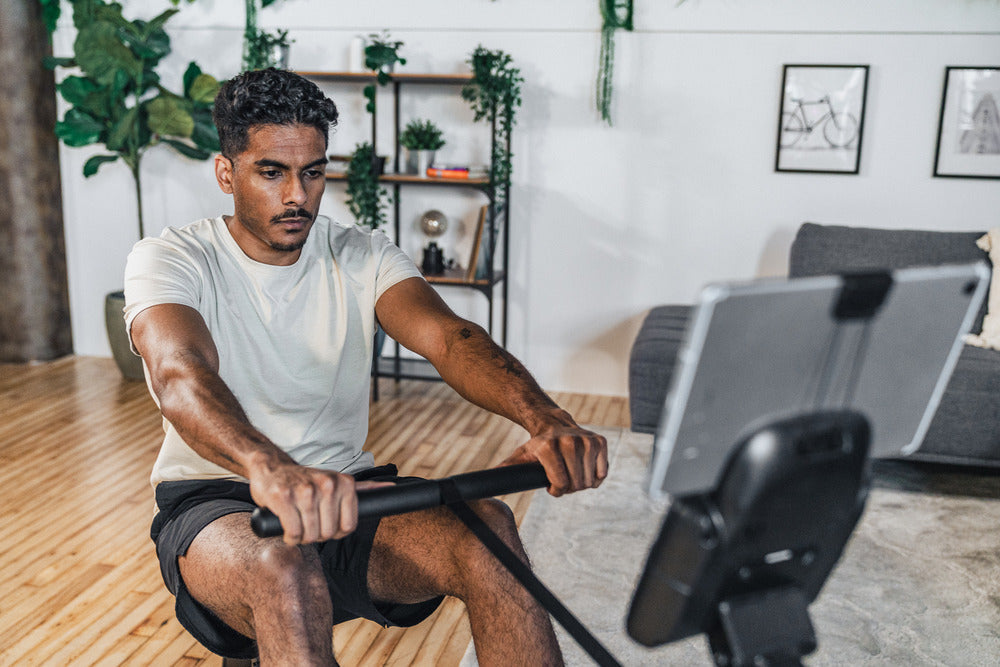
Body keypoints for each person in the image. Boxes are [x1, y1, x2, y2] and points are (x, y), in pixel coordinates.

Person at [124, 68, 608, 666]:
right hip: (219, 500)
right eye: (271, 173)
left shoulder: (361, 253)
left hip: (346, 490)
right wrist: (270, 467)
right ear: (227, 173)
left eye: (313, 172)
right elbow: (181, 373)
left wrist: (546, 418)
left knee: (490, 531)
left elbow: (452, 339)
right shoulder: (172, 258)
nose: (296, 195)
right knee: (285, 567)